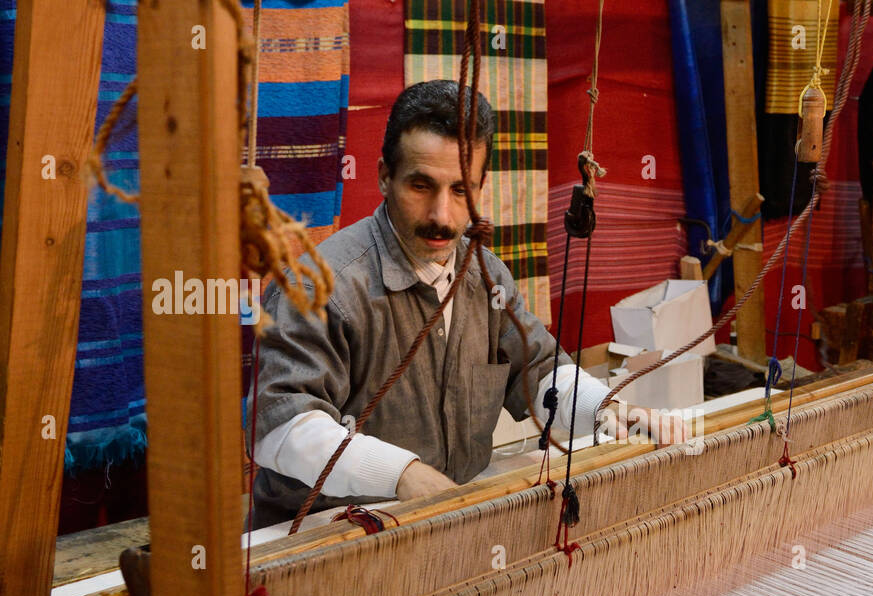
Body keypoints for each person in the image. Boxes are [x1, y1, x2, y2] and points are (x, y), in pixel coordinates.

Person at [250, 80, 681, 528]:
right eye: (421, 186)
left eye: (461, 190)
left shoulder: (487, 278)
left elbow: (538, 370)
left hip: (450, 528)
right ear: (383, 175)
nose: (443, 215)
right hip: (323, 544)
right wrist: (405, 476)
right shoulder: (320, 287)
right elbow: (279, 423)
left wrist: (609, 411)